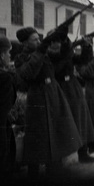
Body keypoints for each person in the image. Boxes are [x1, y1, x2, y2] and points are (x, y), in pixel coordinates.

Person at [15, 27, 82, 177]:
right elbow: (27, 74)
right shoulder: (21, 57)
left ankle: (55, 169)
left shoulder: (45, 53)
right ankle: (34, 172)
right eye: (35, 39)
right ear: (25, 42)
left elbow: (63, 55)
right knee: (37, 136)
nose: (39, 41)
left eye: (39, 39)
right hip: (38, 97)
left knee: (57, 132)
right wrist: (40, 50)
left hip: (53, 93)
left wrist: (64, 39)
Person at [0, 35, 17, 176]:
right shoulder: (5, 78)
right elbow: (5, 107)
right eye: (8, 52)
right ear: (1, 55)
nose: (9, 55)